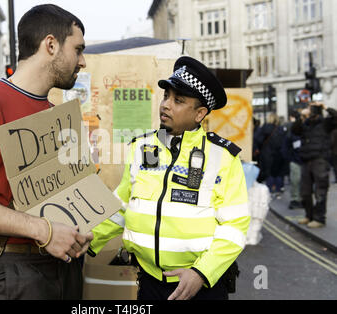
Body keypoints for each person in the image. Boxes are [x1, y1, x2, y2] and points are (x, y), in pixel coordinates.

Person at [0, 4, 92, 300]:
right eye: (78, 49)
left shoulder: (55, 113)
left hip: (62, 267)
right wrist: (45, 231)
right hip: (11, 270)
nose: (83, 61)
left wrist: (79, 228)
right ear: (51, 45)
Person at [88, 57, 250, 300]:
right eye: (166, 96)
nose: (166, 105)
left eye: (178, 100)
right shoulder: (141, 148)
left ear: (200, 113)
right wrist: (88, 239)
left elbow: (234, 227)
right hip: (150, 282)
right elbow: (121, 207)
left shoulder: (223, 157)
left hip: (200, 285)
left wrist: (201, 273)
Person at [292, 102, 337, 228]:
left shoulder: (326, 123)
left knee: (320, 191)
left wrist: (325, 107)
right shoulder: (306, 124)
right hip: (306, 160)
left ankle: (319, 218)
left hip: (320, 160)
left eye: (310, 109)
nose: (307, 111)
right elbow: (295, 130)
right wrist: (301, 117)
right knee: (305, 192)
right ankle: (309, 215)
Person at [254, 113, 287, 196]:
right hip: (279, 155)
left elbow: (257, 139)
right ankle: (278, 189)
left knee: (269, 173)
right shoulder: (281, 129)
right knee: (279, 173)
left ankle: (269, 190)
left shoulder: (264, 128)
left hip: (267, 154)